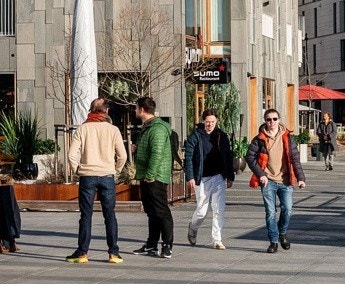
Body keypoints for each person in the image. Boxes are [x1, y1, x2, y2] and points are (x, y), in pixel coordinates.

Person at [65, 97, 128, 264]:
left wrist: (77, 170)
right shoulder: (113, 130)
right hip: (107, 176)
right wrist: (116, 170)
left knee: (86, 215)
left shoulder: (82, 129)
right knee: (110, 215)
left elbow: (71, 155)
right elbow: (123, 156)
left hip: (87, 176)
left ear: (91, 110)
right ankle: (113, 253)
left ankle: (82, 252)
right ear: (106, 111)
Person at [245, 108, 305, 252]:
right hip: (268, 181)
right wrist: (261, 174)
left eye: (274, 119)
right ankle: (273, 241)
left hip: (285, 180)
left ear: (279, 120)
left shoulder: (287, 137)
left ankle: (282, 233)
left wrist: (301, 178)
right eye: (268, 119)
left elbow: (295, 159)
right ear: (265, 121)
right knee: (270, 212)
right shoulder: (259, 139)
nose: (271, 122)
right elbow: (250, 157)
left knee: (288, 209)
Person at [183, 109, 234, 250]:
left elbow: (228, 156)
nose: (210, 125)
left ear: (216, 121)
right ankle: (193, 227)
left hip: (218, 175)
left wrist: (230, 176)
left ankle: (217, 239)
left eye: (212, 122)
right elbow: (188, 157)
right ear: (203, 121)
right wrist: (190, 176)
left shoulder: (221, 136)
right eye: (207, 122)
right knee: (202, 210)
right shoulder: (195, 136)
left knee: (219, 209)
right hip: (202, 178)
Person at [131, 96, 174, 259]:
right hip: (147, 175)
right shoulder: (148, 127)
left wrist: (150, 175)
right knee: (152, 212)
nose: (135, 111)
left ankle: (167, 245)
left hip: (155, 176)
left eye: (136, 108)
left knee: (161, 211)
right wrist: (138, 148)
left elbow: (157, 153)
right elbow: (150, 148)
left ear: (142, 110)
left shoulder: (157, 128)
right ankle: (151, 244)